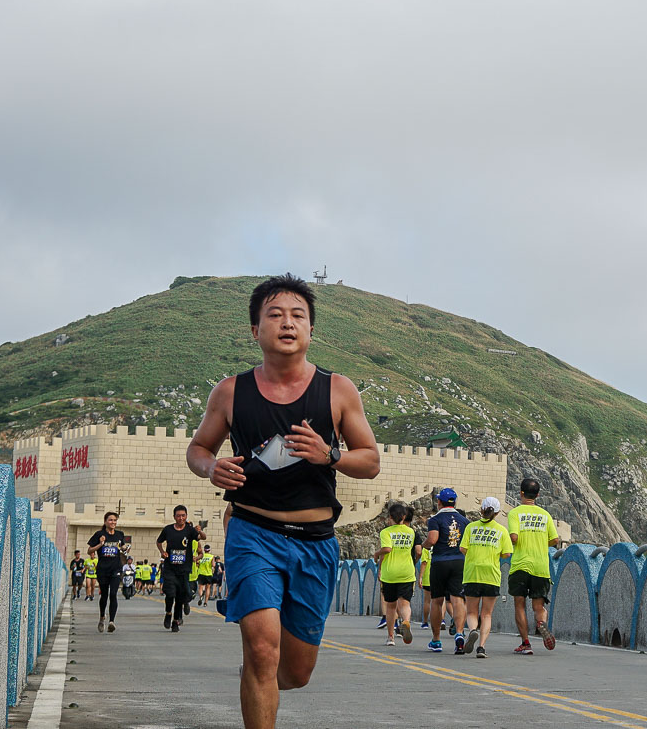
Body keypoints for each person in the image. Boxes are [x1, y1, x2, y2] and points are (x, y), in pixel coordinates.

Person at [186, 273, 380, 729]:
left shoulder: (338, 390)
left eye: (298, 316)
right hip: (254, 531)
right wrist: (211, 468)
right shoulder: (231, 392)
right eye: (275, 315)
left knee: (293, 671)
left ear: (311, 330)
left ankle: (259, 681)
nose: (287, 323)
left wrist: (329, 455)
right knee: (261, 648)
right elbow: (198, 449)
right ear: (255, 330)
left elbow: (370, 461)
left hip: (315, 542)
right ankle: (257, 676)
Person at [507, 478, 560, 654]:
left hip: (520, 566)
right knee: (538, 607)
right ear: (537, 495)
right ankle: (541, 623)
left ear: (521, 493)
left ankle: (525, 643)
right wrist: (539, 542)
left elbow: (514, 537)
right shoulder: (545, 515)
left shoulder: (515, 513)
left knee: (519, 605)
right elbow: (555, 540)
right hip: (541, 566)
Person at [459, 497, 512, 659]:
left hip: (472, 573)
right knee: (487, 614)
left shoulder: (471, 527)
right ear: (496, 513)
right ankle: (481, 647)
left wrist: (475, 555)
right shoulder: (502, 530)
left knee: (472, 611)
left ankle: (473, 629)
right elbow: (507, 553)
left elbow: (462, 548)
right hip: (491, 575)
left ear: (481, 510)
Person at [424, 487, 470, 653]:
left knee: (437, 600)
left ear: (439, 502)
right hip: (459, 562)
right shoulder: (464, 521)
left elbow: (433, 539)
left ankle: (436, 640)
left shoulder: (435, 519)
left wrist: (424, 545)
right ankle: (459, 633)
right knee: (458, 599)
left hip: (440, 562)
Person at [374, 502, 419, 646]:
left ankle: (390, 637)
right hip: (407, 571)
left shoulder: (386, 532)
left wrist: (376, 554)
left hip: (390, 573)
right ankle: (405, 622)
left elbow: (387, 549)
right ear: (404, 516)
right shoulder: (411, 532)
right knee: (405, 603)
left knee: (391, 606)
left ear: (390, 517)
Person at [157, 504, 206, 632]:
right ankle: (168, 613)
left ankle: (175, 621)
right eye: (178, 516)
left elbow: (202, 537)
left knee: (180, 596)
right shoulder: (168, 529)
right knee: (170, 594)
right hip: (170, 567)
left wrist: (199, 530)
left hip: (184, 569)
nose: (181, 518)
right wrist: (162, 551)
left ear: (186, 516)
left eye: (183, 516)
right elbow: (159, 541)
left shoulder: (190, 530)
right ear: (174, 517)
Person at [87, 511, 127, 633]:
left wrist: (124, 548)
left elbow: (122, 548)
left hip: (116, 568)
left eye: (115, 520)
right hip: (103, 569)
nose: (113, 522)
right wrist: (100, 544)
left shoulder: (120, 534)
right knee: (104, 595)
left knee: (113, 594)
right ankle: (102, 617)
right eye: (110, 520)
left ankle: (112, 622)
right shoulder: (99, 534)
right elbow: (90, 551)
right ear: (105, 521)